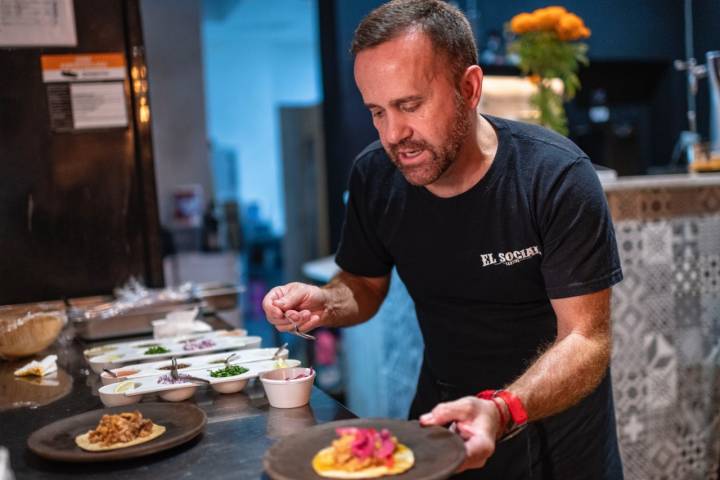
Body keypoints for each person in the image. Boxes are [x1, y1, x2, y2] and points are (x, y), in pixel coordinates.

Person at [262, 1, 624, 478]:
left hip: (552, 433)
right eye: (377, 112)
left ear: (469, 88)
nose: (395, 134)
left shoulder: (554, 177)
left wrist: (502, 409)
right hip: (441, 424)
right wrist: (325, 302)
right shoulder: (375, 176)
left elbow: (586, 338)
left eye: (410, 105)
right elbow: (365, 286)